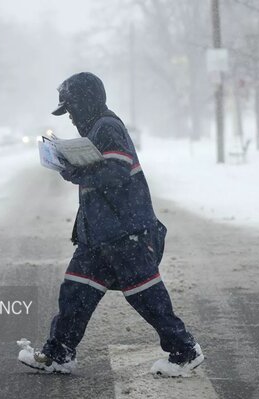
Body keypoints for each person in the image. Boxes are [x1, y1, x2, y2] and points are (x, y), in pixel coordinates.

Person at [18, 72, 203, 377]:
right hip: (100, 235)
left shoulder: (108, 127)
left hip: (124, 232)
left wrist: (74, 172)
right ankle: (59, 353)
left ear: (85, 103)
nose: (71, 117)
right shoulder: (96, 129)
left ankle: (184, 349)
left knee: (146, 296)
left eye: (71, 109)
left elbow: (117, 171)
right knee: (75, 293)